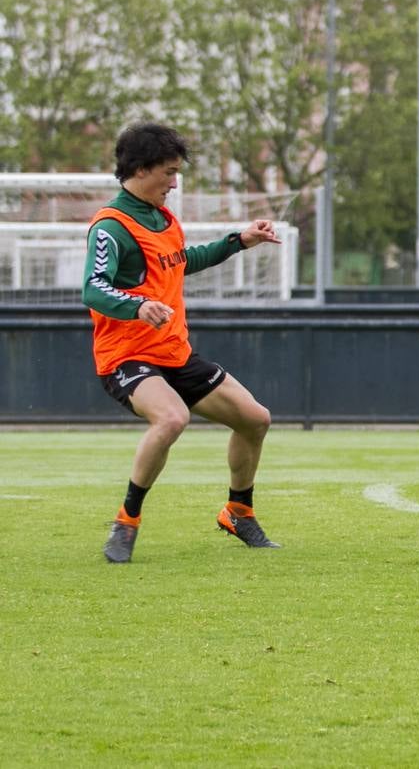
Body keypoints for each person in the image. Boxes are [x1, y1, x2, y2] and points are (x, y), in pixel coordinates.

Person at [84, 123, 281, 563]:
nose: (174, 183)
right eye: (169, 173)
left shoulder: (163, 218)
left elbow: (181, 262)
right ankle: (126, 521)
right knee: (172, 418)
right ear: (141, 168)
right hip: (127, 356)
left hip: (173, 352)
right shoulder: (110, 227)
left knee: (255, 419)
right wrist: (137, 306)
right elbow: (93, 288)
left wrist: (238, 241)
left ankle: (238, 512)